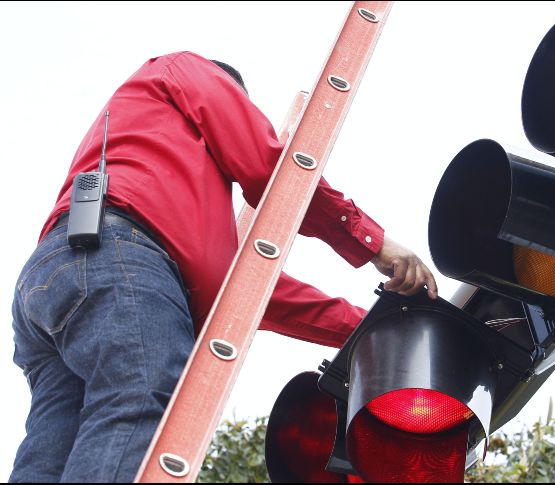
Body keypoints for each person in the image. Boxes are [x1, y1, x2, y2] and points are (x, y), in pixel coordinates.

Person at [9, 51, 438, 483]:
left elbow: (256, 293)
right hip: (119, 257)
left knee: (50, 452)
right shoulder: (183, 70)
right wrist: (374, 242)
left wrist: (373, 327)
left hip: (55, 279)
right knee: (138, 397)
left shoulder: (180, 205)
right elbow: (270, 166)